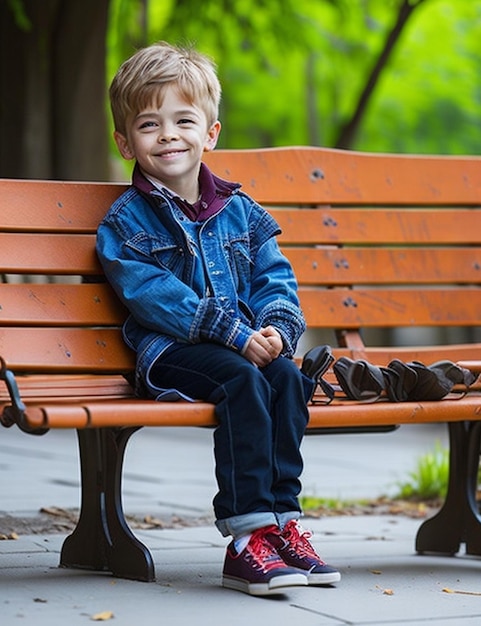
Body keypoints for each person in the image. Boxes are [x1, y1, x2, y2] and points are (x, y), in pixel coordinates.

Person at [96, 41, 340, 597]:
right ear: (124, 141)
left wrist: (278, 327)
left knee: (284, 376)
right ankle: (244, 537)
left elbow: (275, 277)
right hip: (171, 353)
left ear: (210, 133)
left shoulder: (242, 212)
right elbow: (153, 296)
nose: (168, 136)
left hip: (249, 344)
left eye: (184, 120)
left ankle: (282, 522)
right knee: (241, 378)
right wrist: (234, 333)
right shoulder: (126, 222)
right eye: (149, 125)